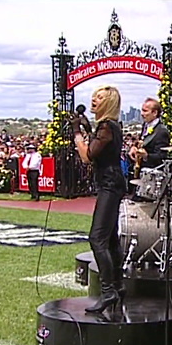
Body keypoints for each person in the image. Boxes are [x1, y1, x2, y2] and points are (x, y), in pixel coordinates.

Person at [72, 85, 127, 313]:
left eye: (100, 97)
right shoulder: (107, 127)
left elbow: (87, 157)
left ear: (108, 103)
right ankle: (117, 284)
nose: (94, 100)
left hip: (110, 184)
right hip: (111, 183)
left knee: (97, 238)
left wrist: (77, 135)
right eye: (94, 96)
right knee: (111, 238)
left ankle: (108, 291)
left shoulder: (106, 127)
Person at [129, 97, 170, 199]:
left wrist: (146, 156)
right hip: (140, 175)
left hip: (151, 181)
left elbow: (162, 157)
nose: (142, 114)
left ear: (155, 113)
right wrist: (134, 148)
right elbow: (142, 142)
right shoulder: (145, 126)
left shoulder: (161, 131)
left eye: (145, 111)